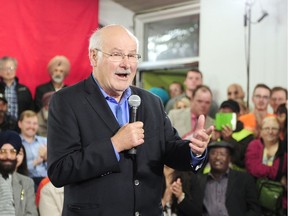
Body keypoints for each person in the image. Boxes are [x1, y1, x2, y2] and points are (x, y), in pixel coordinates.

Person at [47, 24, 213, 216]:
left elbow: (170, 148)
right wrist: (114, 145)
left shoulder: (151, 102)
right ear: (94, 56)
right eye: (117, 54)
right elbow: (60, 170)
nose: (126, 64)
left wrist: (194, 151)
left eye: (132, 55)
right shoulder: (67, 101)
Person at [196, 141, 261, 216]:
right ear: (208, 157)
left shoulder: (244, 179)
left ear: (229, 158)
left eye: (222, 154)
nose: (217, 157)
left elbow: (255, 209)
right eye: (213, 153)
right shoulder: (199, 180)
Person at [245, 116, 287, 214]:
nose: (270, 132)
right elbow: (253, 168)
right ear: (261, 130)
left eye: (274, 128)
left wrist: (266, 170)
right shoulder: (254, 145)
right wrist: (274, 171)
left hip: (278, 198)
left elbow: (276, 172)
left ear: (279, 131)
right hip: (254, 195)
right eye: (267, 128)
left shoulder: (284, 148)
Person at [0, 130, 38, 216]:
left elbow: (31, 213)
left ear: (16, 154)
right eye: (3, 151)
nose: (8, 156)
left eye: (12, 151)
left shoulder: (27, 182)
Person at [211, 99, 254, 170]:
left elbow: (242, 161)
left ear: (237, 116)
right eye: (222, 114)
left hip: (234, 177)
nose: (224, 117)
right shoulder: (212, 134)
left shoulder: (248, 136)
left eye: (228, 114)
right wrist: (212, 142)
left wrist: (229, 140)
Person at [18, 110, 47, 191]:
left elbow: (56, 166)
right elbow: (17, 168)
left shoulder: (45, 141)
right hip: (26, 180)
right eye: (28, 123)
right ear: (20, 124)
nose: (32, 126)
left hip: (47, 180)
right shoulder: (16, 143)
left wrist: (47, 158)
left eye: (35, 123)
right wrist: (36, 161)